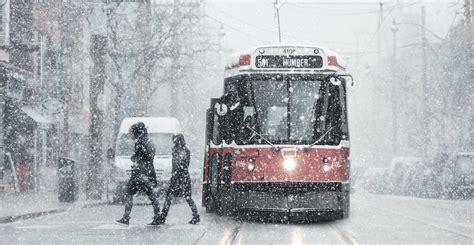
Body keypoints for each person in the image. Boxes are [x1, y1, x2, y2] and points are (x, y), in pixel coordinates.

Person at [115, 122, 162, 226]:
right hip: (149, 172)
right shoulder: (149, 141)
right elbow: (149, 156)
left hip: (139, 173)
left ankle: (126, 217)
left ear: (137, 132)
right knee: (151, 194)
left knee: (128, 193)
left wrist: (134, 158)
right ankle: (158, 216)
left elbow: (139, 158)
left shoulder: (140, 142)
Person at [156, 134, 200, 224]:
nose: (173, 143)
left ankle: (163, 216)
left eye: (174, 141)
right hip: (183, 177)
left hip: (178, 178)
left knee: (169, 197)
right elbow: (184, 165)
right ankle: (196, 215)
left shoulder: (180, 151)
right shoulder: (184, 150)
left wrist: (175, 176)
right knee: (187, 197)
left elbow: (178, 165)